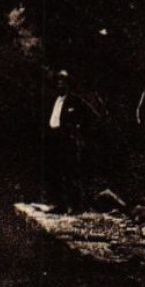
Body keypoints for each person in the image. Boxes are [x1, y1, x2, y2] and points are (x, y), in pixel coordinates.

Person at [43, 69, 85, 211]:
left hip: (67, 140)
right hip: (54, 138)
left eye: (63, 81)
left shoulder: (74, 100)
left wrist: (73, 135)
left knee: (70, 172)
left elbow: (78, 121)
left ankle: (76, 206)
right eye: (58, 82)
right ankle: (60, 204)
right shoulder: (53, 100)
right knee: (56, 172)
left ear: (68, 84)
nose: (60, 84)